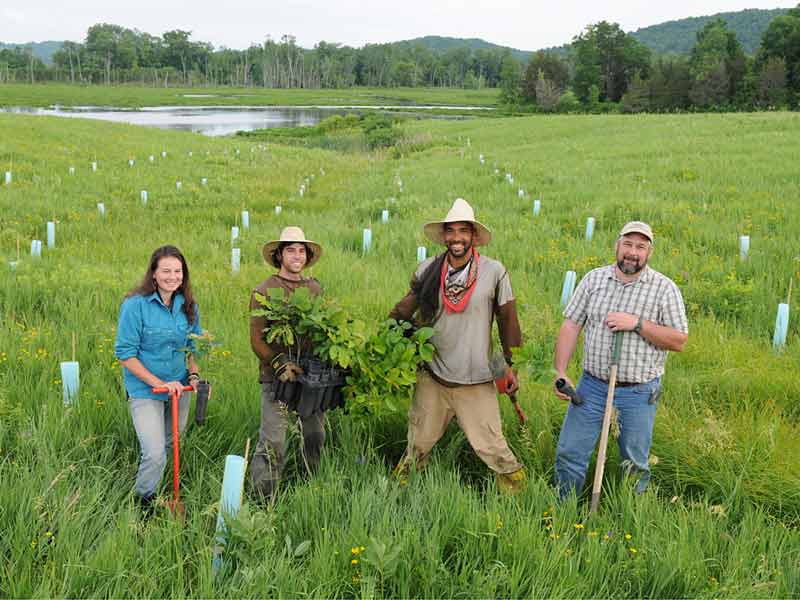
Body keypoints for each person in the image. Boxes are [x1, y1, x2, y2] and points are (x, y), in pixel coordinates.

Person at [389, 198, 527, 493]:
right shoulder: (427, 270)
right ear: (444, 236)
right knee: (418, 445)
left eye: (463, 231)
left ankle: (522, 498)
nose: (456, 238)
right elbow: (403, 312)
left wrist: (508, 367)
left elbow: (507, 322)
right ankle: (395, 497)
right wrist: (387, 340)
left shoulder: (494, 272)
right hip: (433, 376)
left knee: (493, 447)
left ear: (473, 236)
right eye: (451, 231)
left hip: (476, 378)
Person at [553, 221, 688, 499]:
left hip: (639, 392)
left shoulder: (664, 289)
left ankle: (628, 518)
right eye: (628, 244)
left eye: (640, 247)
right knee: (570, 453)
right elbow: (571, 325)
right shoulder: (594, 280)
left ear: (649, 253)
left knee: (634, 464)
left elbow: (678, 340)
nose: (632, 252)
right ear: (617, 246)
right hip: (591, 386)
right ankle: (563, 513)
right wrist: (561, 370)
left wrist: (637, 324)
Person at [114, 245, 202, 514]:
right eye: (165, 270)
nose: (172, 276)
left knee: (170, 443)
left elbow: (193, 347)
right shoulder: (135, 306)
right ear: (153, 273)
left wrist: (195, 375)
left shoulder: (188, 306)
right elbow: (125, 354)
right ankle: (143, 504)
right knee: (154, 452)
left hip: (179, 387)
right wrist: (157, 383)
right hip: (145, 388)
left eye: (177, 271)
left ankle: (163, 492)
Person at [249, 226, 324, 501]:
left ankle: (309, 487)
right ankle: (262, 499)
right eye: (290, 250)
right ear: (279, 255)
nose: (297, 255)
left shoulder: (314, 288)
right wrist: (279, 362)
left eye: (301, 250)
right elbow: (256, 339)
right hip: (276, 378)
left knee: (315, 434)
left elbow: (321, 331)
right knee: (274, 440)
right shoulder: (264, 290)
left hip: (310, 377)